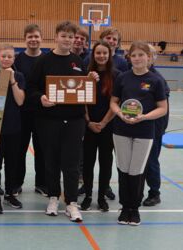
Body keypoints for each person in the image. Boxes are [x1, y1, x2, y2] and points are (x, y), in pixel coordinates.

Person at [28, 21, 90, 222]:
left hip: (74, 121)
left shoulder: (78, 62)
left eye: (71, 37)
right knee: (51, 162)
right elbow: (31, 88)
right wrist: (41, 99)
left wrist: (91, 81)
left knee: (71, 164)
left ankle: (71, 202)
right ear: (56, 37)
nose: (68, 40)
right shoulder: (44, 61)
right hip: (49, 120)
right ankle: (53, 197)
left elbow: (83, 89)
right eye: (64, 36)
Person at [110, 41, 167, 226]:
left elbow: (162, 108)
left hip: (144, 131)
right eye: (133, 55)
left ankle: (134, 209)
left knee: (137, 170)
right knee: (123, 169)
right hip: (121, 129)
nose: (137, 58)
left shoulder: (156, 80)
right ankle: (124, 207)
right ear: (130, 58)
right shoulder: (122, 78)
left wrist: (144, 117)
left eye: (141, 55)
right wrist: (120, 115)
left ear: (148, 58)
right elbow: (114, 102)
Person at [0, 45, 26, 214]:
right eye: (4, 56)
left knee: (12, 164)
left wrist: (12, 80)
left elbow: (20, 101)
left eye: (10, 56)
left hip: (14, 130)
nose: (7, 59)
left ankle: (9, 194)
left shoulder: (20, 77)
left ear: (13, 59)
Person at [80, 40, 120, 212]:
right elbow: (82, 101)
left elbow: (115, 102)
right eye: (98, 53)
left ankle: (102, 196)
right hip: (89, 126)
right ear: (93, 55)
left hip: (107, 126)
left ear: (109, 55)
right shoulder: (86, 73)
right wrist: (89, 122)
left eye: (105, 53)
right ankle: (88, 195)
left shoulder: (117, 75)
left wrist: (103, 123)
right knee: (87, 163)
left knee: (106, 162)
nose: (101, 56)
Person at [14, 24, 47, 197]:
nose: (33, 40)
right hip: (22, 112)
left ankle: (42, 183)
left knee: (42, 149)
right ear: (25, 39)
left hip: (43, 112)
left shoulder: (48, 59)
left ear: (41, 38)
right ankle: (16, 183)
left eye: (36, 36)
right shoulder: (17, 60)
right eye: (30, 37)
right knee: (20, 149)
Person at [143, 44, 170, 207]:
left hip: (154, 128)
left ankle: (154, 193)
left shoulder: (157, 79)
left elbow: (163, 108)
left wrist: (159, 130)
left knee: (151, 161)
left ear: (152, 58)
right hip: (139, 127)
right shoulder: (133, 76)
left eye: (147, 55)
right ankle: (137, 190)